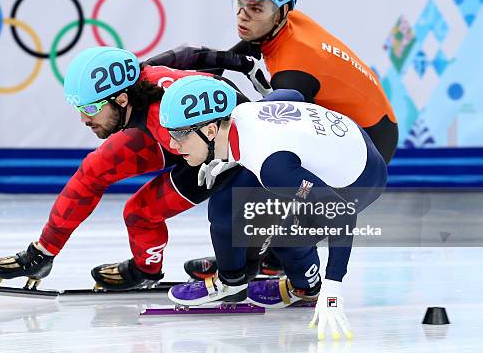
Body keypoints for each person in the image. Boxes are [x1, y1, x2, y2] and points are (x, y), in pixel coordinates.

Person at [147, 0, 397, 279]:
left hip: (369, 140)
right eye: (239, 4)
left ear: (281, 11)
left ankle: (273, 257)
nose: (243, 16)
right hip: (367, 117)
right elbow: (232, 58)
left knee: (270, 181)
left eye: (255, 9)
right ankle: (263, 252)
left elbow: (272, 138)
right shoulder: (282, 26)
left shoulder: (294, 70)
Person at [0, 47, 251, 291]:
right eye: (79, 108)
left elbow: (247, 170)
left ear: (122, 99)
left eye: (90, 108)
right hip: (183, 132)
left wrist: (244, 258)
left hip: (223, 150)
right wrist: (236, 61)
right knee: (94, 169)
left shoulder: (161, 114)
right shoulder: (141, 77)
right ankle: (41, 254)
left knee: (140, 212)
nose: (84, 119)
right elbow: (186, 53)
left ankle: (265, 254)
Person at [158, 75, 387, 340]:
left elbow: (341, 215)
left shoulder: (272, 168)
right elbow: (292, 95)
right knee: (225, 203)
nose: (173, 145)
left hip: (361, 179)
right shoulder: (244, 112)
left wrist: (333, 288)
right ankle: (233, 280)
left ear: (210, 131)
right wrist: (230, 158)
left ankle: (308, 288)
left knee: (286, 238)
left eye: (178, 135)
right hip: (345, 139)